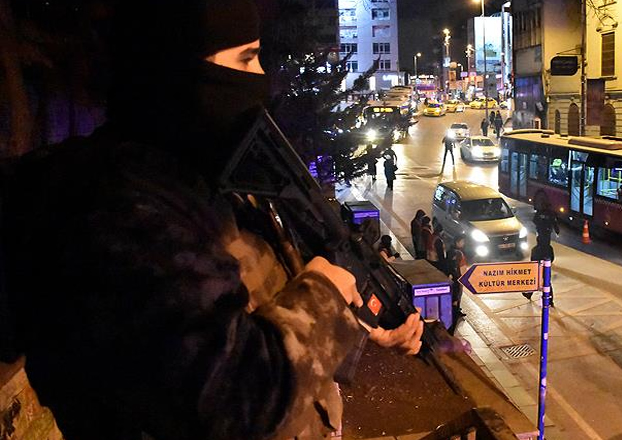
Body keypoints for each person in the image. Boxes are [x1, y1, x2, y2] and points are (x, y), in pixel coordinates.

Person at [0, 1, 423, 439]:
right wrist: (324, 300)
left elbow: (259, 307)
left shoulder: (194, 178)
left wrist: (352, 323)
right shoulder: (124, 213)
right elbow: (236, 401)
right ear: (174, 71)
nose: (259, 77)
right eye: (245, 58)